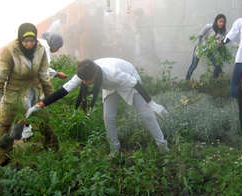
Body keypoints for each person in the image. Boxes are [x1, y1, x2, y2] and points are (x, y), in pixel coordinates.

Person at [26, 58, 170, 156]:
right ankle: (115, 150)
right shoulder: (84, 73)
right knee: (108, 117)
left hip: (128, 78)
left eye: (88, 80)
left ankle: (163, 146)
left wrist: (152, 104)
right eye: (83, 80)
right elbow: (64, 91)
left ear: (95, 74)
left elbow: (136, 84)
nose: (86, 83)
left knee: (146, 114)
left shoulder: (113, 73)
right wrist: (40, 105)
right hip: (110, 86)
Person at [0, 23, 54, 135]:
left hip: (35, 90)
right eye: (26, 41)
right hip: (15, 91)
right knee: (8, 124)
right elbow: (1, 74)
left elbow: (44, 74)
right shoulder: (10, 51)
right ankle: (4, 149)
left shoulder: (40, 50)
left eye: (32, 41)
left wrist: (50, 95)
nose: (29, 44)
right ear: (20, 39)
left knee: (43, 120)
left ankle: (52, 147)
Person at [0, 32, 67, 116]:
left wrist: (56, 73)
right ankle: (25, 125)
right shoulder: (43, 47)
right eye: (58, 47)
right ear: (54, 43)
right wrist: (56, 74)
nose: (57, 50)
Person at [186, 14, 227, 80]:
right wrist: (199, 47)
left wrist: (221, 44)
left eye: (223, 22)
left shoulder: (223, 31)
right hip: (200, 48)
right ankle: (187, 80)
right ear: (216, 21)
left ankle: (213, 81)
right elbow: (200, 35)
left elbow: (224, 41)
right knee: (193, 66)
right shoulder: (209, 27)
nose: (221, 23)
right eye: (220, 21)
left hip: (209, 50)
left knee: (217, 66)